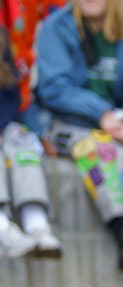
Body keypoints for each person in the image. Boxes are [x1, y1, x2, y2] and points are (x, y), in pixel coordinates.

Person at [30, 0, 123, 270]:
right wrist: (101, 114)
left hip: (117, 122)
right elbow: (54, 88)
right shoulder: (57, 27)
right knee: (100, 151)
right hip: (70, 123)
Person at [0, 34, 59, 258]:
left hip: (5, 123)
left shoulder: (2, 39)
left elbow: (10, 96)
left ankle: (36, 224)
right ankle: (2, 228)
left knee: (24, 142)